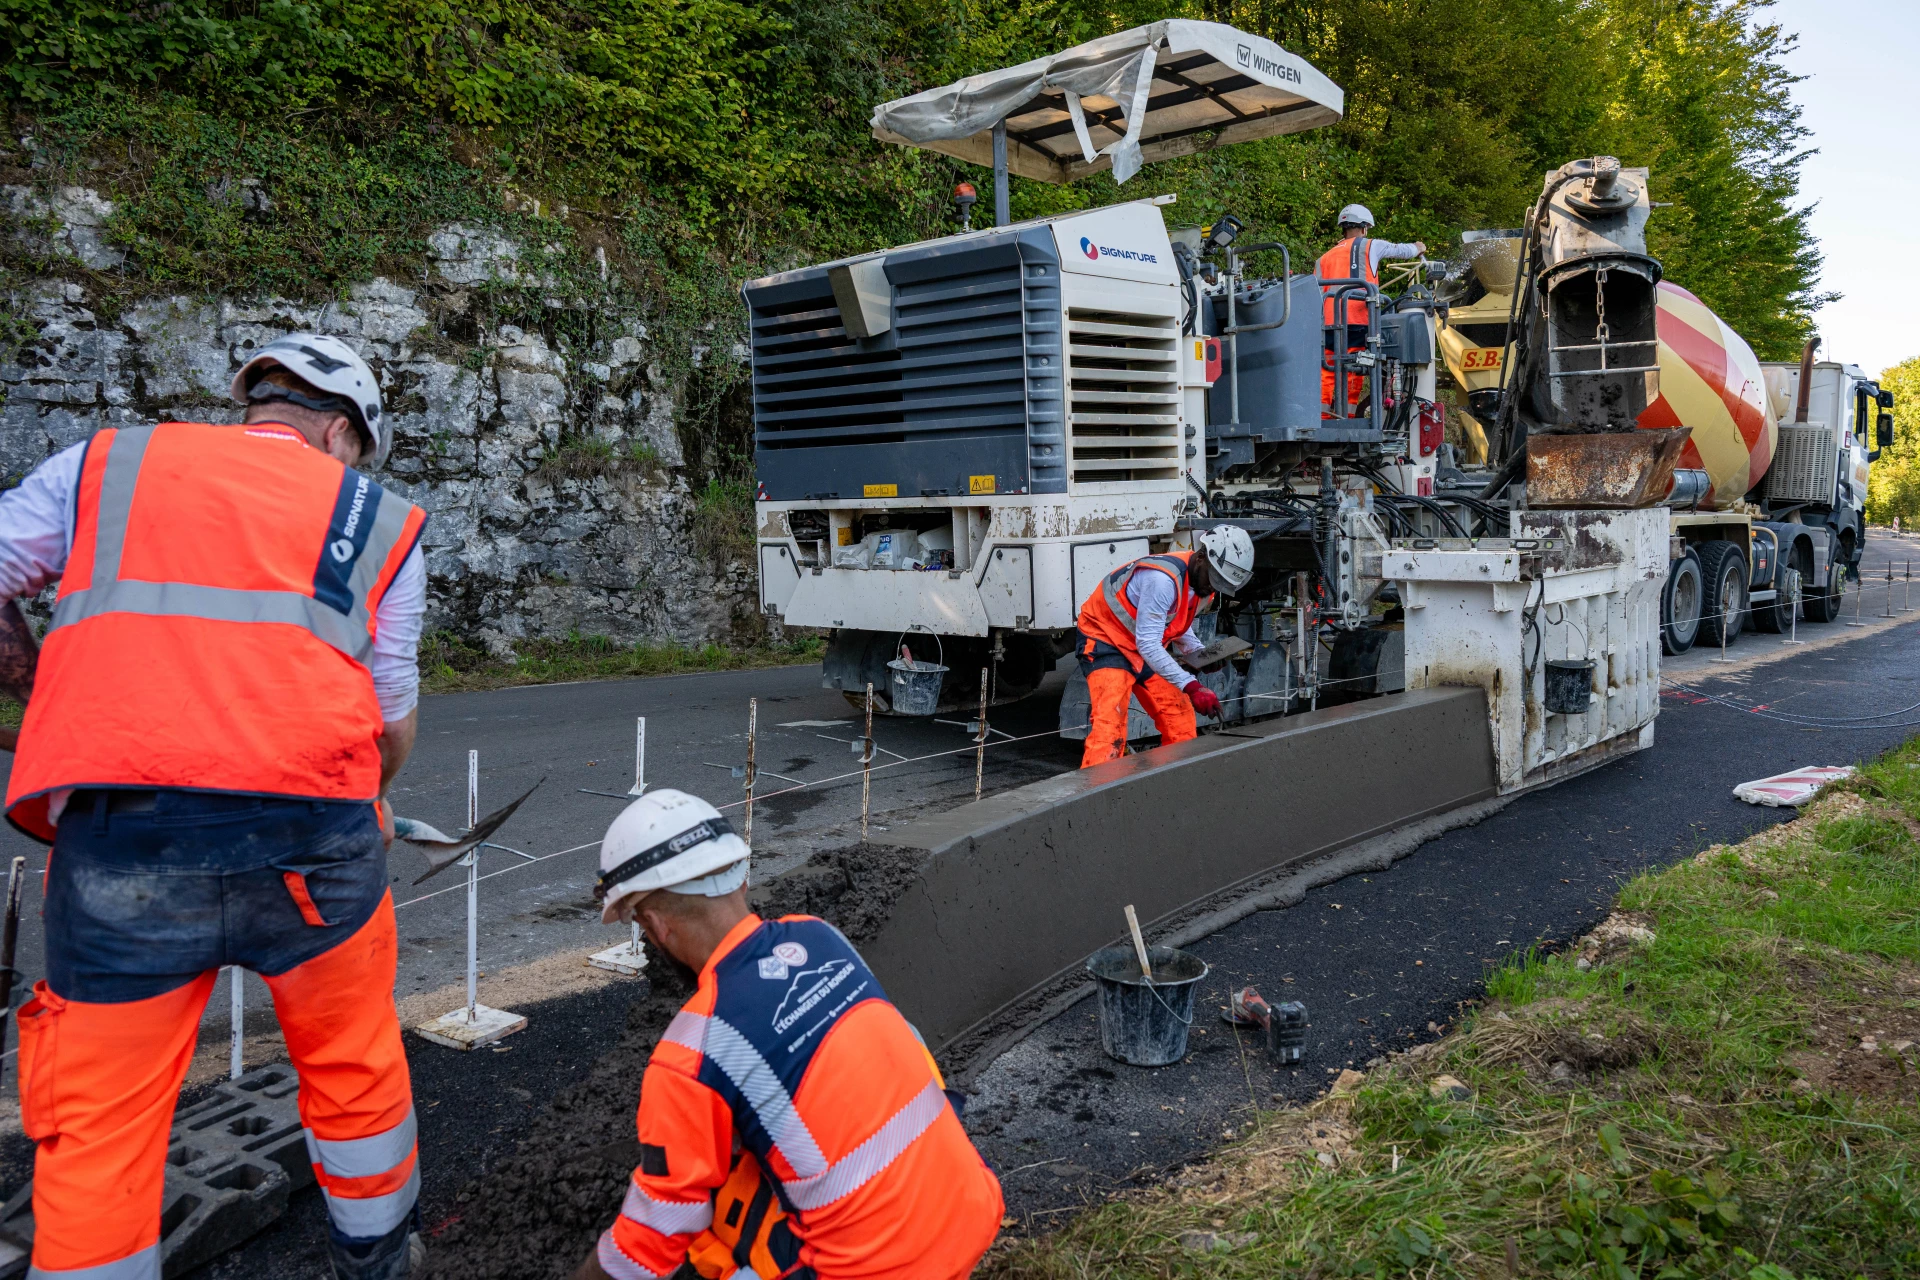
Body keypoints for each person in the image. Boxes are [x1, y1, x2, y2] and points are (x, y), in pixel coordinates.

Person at [0, 333, 430, 1280]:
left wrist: (44, 704)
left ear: (261, 405)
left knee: (103, 1121)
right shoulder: (376, 515)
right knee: (354, 1066)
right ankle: (380, 1260)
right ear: (343, 432)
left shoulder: (109, 465)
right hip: (314, 844)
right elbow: (390, 711)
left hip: (123, 838)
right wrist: (373, 800)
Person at [576, 789, 1003, 1280]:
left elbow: (647, 1243)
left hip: (876, 1271)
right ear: (739, 876)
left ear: (654, 924)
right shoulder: (820, 935)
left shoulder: (690, 1050)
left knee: (709, 1226)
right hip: (971, 1211)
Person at [1073, 526, 1255, 769]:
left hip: (1141, 646)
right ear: (1201, 557)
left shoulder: (1201, 584)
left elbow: (1173, 621)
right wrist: (1192, 686)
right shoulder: (1162, 580)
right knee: (1109, 729)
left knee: (1179, 718)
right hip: (1106, 640)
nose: (1213, 588)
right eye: (1213, 580)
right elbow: (1149, 644)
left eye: (1221, 584)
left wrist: (1199, 654)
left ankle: (1171, 781)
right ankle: (1098, 789)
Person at [1320, 204, 1426, 417]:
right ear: (1364, 227)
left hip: (1328, 323)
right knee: (1353, 370)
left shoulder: (1324, 257)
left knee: (1327, 372)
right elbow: (1402, 250)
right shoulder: (1370, 246)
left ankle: (1321, 417)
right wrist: (1418, 247)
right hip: (1357, 321)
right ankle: (1347, 418)